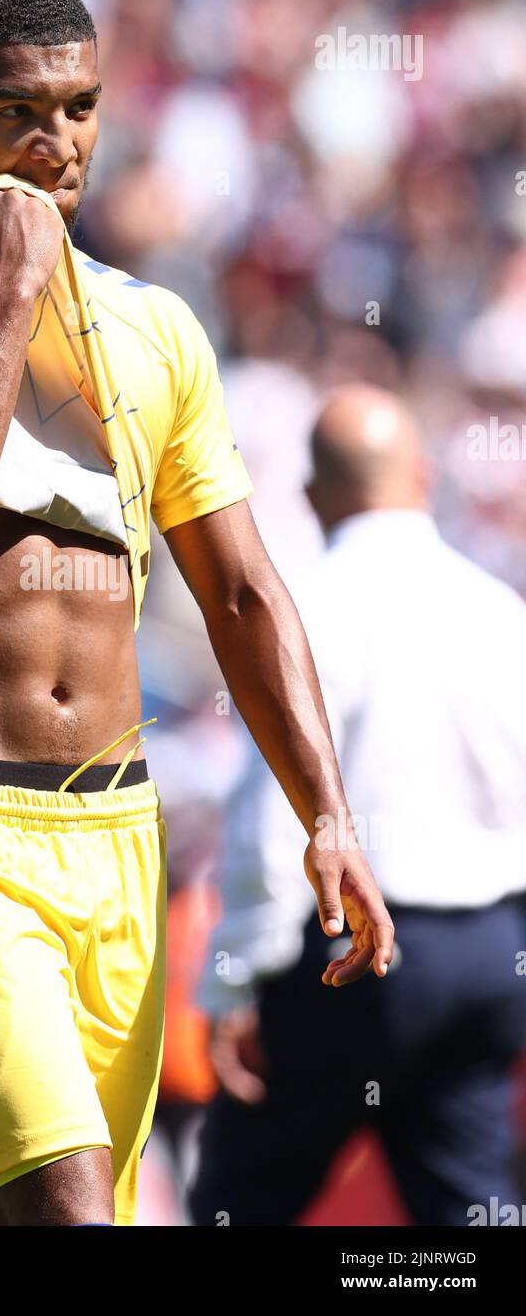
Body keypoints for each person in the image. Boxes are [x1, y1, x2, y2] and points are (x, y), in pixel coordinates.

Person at [0, 0, 393, 1228]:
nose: (60, 144)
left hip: (120, 838)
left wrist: (328, 814)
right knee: (60, 1203)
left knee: (89, 1214)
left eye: (82, 107)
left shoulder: (158, 328)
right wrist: (3, 289)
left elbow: (241, 591)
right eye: (17, 112)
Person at [190, 384, 526, 1226]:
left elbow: (276, 813)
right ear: (423, 475)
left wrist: (234, 978)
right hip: (489, 953)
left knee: (241, 1201)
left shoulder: (307, 611)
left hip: (352, 956)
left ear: (309, 495)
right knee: (470, 1209)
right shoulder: (499, 611)